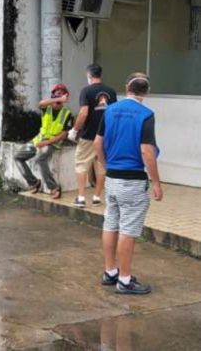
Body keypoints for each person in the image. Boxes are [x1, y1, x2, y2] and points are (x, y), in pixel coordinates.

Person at [95, 72, 163, 295]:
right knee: (128, 229)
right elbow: (146, 151)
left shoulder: (110, 110)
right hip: (132, 181)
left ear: (127, 88)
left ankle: (110, 272)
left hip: (112, 179)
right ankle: (124, 280)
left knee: (110, 223)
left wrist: (106, 167)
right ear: (147, 93)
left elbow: (98, 143)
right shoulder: (146, 114)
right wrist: (156, 183)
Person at [69, 64, 117, 208]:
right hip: (105, 136)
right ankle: (97, 197)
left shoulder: (86, 91)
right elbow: (114, 113)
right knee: (101, 166)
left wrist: (74, 130)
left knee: (81, 164)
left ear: (88, 75)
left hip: (89, 135)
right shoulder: (111, 91)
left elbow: (83, 113)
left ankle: (81, 198)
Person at [14, 84, 73, 199]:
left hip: (52, 142)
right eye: (57, 93)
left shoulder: (67, 113)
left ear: (66, 97)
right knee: (18, 157)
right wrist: (58, 99)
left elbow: (63, 135)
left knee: (41, 159)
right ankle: (34, 183)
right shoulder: (47, 107)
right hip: (39, 139)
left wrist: (46, 143)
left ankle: (54, 187)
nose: (59, 95)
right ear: (53, 95)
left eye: (62, 93)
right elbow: (40, 103)